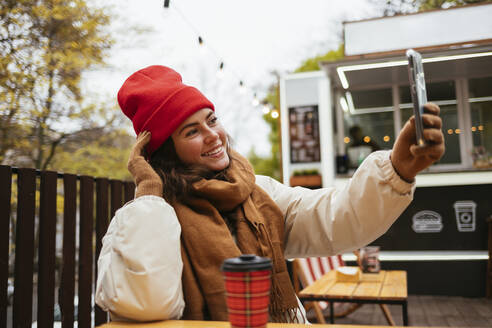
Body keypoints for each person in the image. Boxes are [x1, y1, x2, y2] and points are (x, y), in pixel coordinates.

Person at [95, 65, 445, 323]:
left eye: (212, 119)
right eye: (191, 131)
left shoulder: (258, 192)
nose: (213, 135)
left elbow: (335, 218)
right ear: (166, 152)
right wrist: (151, 195)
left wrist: (398, 169)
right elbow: (146, 303)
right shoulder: (145, 216)